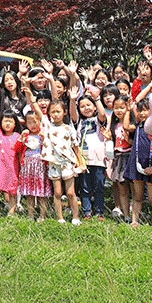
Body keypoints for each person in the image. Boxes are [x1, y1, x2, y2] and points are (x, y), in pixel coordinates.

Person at [124, 99, 152, 227]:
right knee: (137, 196)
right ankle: (134, 221)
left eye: (145, 110)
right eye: (140, 111)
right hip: (137, 161)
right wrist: (128, 110)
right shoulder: (138, 125)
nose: (142, 113)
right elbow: (126, 126)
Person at [41, 99, 82, 225]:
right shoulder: (48, 127)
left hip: (67, 162)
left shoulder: (68, 128)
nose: (55, 114)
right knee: (57, 192)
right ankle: (60, 218)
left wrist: (80, 162)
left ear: (64, 112)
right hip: (54, 163)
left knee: (70, 192)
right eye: (52, 112)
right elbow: (37, 111)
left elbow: (75, 146)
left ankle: (75, 217)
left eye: (58, 111)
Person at [70, 92, 107, 221]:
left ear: (95, 106)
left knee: (99, 186)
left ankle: (99, 212)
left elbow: (102, 114)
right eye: (82, 106)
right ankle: (87, 212)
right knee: (84, 188)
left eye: (89, 105)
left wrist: (97, 98)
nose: (86, 108)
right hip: (83, 160)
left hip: (98, 160)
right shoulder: (79, 122)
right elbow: (73, 115)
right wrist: (72, 100)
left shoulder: (98, 121)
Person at [18, 85, 50, 221]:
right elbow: (17, 150)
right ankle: (30, 215)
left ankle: (42, 215)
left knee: (41, 192)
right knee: (29, 193)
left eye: (34, 122)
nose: (32, 125)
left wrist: (31, 96)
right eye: (29, 122)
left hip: (41, 166)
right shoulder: (25, 135)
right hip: (28, 166)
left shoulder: (43, 134)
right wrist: (20, 140)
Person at [0, 109, 23, 222]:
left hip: (13, 169)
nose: (7, 124)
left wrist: (23, 168)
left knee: (13, 193)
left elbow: (20, 153)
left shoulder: (17, 136)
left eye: (10, 121)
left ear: (15, 123)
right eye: (5, 121)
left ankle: (11, 213)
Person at [106, 93, 133, 221]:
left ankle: (135, 215)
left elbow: (134, 141)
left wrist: (128, 138)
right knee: (121, 187)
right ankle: (126, 214)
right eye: (116, 108)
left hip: (130, 155)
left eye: (122, 107)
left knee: (133, 187)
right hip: (118, 156)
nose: (119, 110)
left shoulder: (132, 123)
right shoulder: (114, 124)